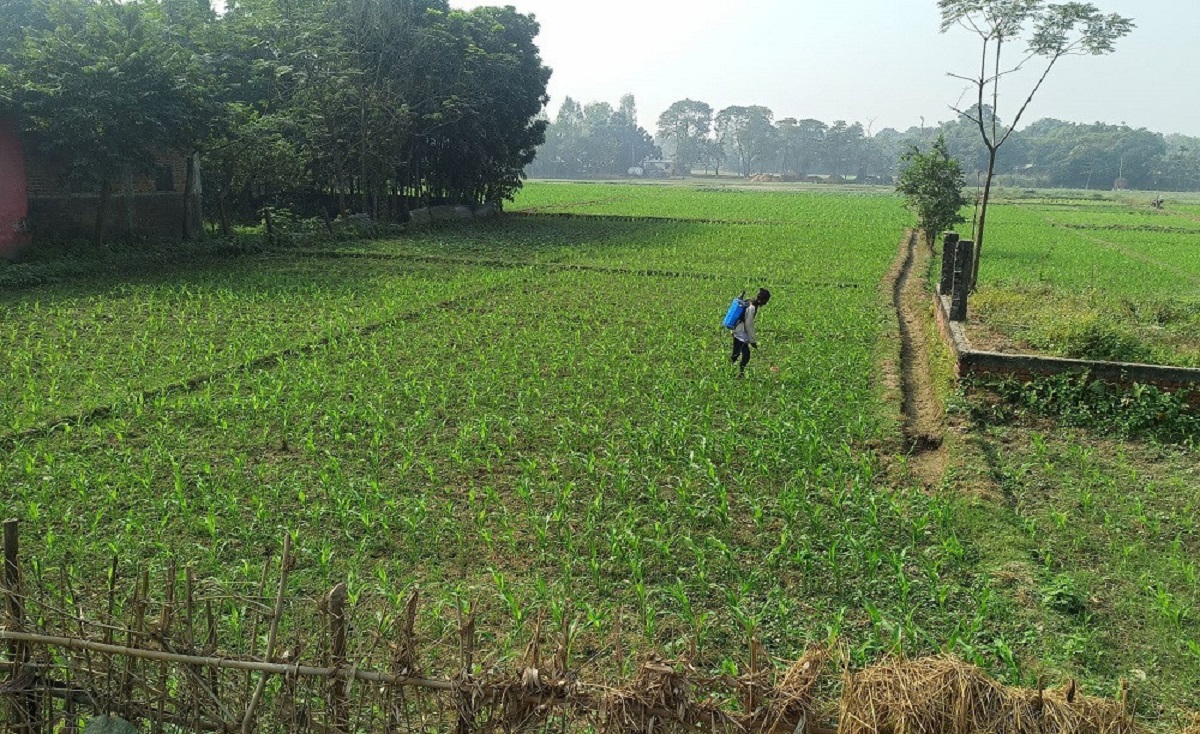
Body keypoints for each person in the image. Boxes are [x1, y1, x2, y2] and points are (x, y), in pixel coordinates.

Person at [730, 288, 771, 378]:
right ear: (762, 300)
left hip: (737, 330)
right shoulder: (752, 308)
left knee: (736, 353)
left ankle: (731, 371)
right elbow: (749, 325)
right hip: (740, 333)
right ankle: (739, 373)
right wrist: (752, 341)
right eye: (766, 300)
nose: (766, 303)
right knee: (745, 355)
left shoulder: (749, 301)